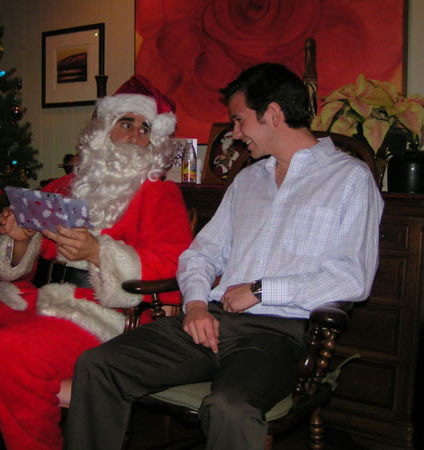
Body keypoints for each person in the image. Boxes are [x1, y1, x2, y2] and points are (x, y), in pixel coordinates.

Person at [64, 63, 384, 450]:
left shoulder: (349, 179)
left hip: (279, 335)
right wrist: (196, 305)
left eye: (239, 120)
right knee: (98, 365)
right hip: (211, 321)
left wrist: (262, 290)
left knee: (230, 408)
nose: (234, 133)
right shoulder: (248, 180)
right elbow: (201, 254)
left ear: (273, 114)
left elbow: (353, 277)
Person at [0, 75, 193, 450]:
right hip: (28, 300)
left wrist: (97, 252)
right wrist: (20, 239)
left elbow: (173, 266)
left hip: (100, 315)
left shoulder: (160, 195)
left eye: (145, 128)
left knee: (6, 353)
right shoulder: (61, 187)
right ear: (105, 128)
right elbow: (16, 267)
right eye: (126, 123)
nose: (135, 135)